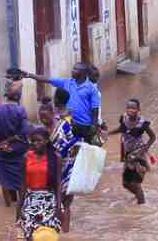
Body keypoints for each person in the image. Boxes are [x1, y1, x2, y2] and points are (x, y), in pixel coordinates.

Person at [24, 63, 100, 144]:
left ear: (83, 73)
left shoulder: (91, 88)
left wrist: (94, 127)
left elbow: (95, 109)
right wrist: (29, 75)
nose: (72, 71)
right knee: (71, 149)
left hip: (85, 126)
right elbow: (48, 79)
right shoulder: (67, 83)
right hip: (70, 124)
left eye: (75, 69)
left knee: (86, 151)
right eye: (73, 69)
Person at [17, 127, 62, 240]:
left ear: (46, 140)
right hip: (31, 200)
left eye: (39, 140)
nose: (35, 143)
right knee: (29, 236)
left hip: (49, 201)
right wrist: (19, 207)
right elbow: (22, 185)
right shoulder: (26, 157)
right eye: (33, 141)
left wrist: (58, 208)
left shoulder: (56, 158)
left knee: (47, 236)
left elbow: (58, 184)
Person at [109, 99, 156, 205]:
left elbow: (153, 137)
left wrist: (144, 149)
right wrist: (108, 133)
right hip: (128, 156)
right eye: (128, 107)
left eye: (133, 108)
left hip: (139, 157)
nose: (130, 110)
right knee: (125, 183)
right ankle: (139, 196)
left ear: (138, 110)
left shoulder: (142, 124)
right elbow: (121, 129)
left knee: (135, 183)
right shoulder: (124, 119)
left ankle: (142, 205)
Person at [0, 81, 30, 207]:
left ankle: (7, 205)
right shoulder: (21, 110)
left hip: (2, 149)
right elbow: (25, 131)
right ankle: (21, 206)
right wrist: (13, 141)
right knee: (20, 178)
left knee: (4, 178)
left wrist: (3, 143)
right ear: (19, 98)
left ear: (6, 96)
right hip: (19, 149)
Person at [47, 89, 80, 233]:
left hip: (56, 164)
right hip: (69, 164)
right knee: (66, 202)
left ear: (57, 99)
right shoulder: (71, 116)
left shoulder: (55, 119)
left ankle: (56, 230)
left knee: (55, 200)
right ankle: (66, 232)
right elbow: (75, 140)